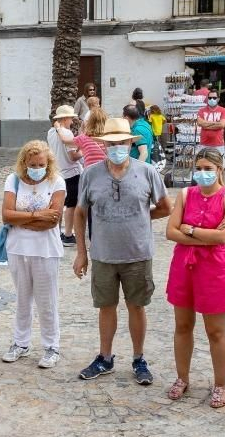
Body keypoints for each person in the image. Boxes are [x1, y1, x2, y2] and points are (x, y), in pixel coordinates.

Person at [72, 116, 171, 384]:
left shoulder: (147, 172)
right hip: (103, 254)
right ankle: (105, 357)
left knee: (137, 306)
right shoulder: (91, 174)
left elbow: (165, 206)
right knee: (106, 306)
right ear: (104, 145)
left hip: (138, 253)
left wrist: (140, 215)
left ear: (130, 143)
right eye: (111, 143)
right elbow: (80, 213)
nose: (117, 147)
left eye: (122, 143)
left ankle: (139, 358)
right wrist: (81, 252)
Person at [165, 148, 225, 406]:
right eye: (199, 168)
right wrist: (204, 234)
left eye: (208, 169)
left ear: (219, 170)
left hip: (215, 268)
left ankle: (220, 384)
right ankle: (182, 377)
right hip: (184, 265)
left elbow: (224, 236)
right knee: (182, 326)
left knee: (216, 331)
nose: (203, 173)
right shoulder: (186, 195)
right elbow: (171, 232)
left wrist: (192, 230)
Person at [1, 140, 66, 368]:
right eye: (32, 163)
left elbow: (53, 220)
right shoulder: (13, 180)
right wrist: (36, 215)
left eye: (41, 164)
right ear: (24, 162)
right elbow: (6, 215)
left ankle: (51, 346)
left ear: (48, 163)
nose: (36, 168)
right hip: (17, 248)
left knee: (46, 300)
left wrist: (23, 218)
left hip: (46, 250)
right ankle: (21, 342)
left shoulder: (56, 181)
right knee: (22, 298)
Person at [48, 105, 83, 245]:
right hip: (71, 172)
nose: (72, 121)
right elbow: (73, 156)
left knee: (58, 204)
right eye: (71, 118)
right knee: (71, 205)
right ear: (65, 118)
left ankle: (56, 233)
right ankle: (68, 234)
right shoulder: (67, 134)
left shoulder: (51, 132)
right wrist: (83, 152)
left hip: (57, 172)